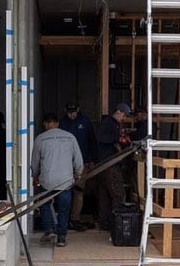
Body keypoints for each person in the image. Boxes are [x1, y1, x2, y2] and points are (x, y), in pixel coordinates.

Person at [32, 112, 84, 247]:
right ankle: (61, 238)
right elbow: (78, 159)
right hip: (65, 181)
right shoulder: (70, 137)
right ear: (58, 123)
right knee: (64, 209)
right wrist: (78, 173)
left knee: (44, 204)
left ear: (45, 124)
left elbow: (35, 163)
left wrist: (35, 175)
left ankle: (49, 230)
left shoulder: (40, 139)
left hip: (47, 180)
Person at [94, 103, 138, 233]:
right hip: (110, 164)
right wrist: (119, 139)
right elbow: (102, 138)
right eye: (124, 115)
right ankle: (118, 224)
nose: (124, 118)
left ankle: (105, 223)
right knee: (118, 194)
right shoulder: (108, 123)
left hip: (104, 164)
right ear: (118, 112)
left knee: (104, 195)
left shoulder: (111, 123)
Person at [58, 102, 97, 223]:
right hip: (65, 163)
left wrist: (92, 159)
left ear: (78, 110)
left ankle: (75, 218)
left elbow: (92, 141)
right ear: (65, 111)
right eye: (70, 113)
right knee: (64, 190)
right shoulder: (62, 123)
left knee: (78, 190)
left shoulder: (85, 122)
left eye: (74, 112)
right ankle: (64, 218)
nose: (72, 115)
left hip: (83, 162)